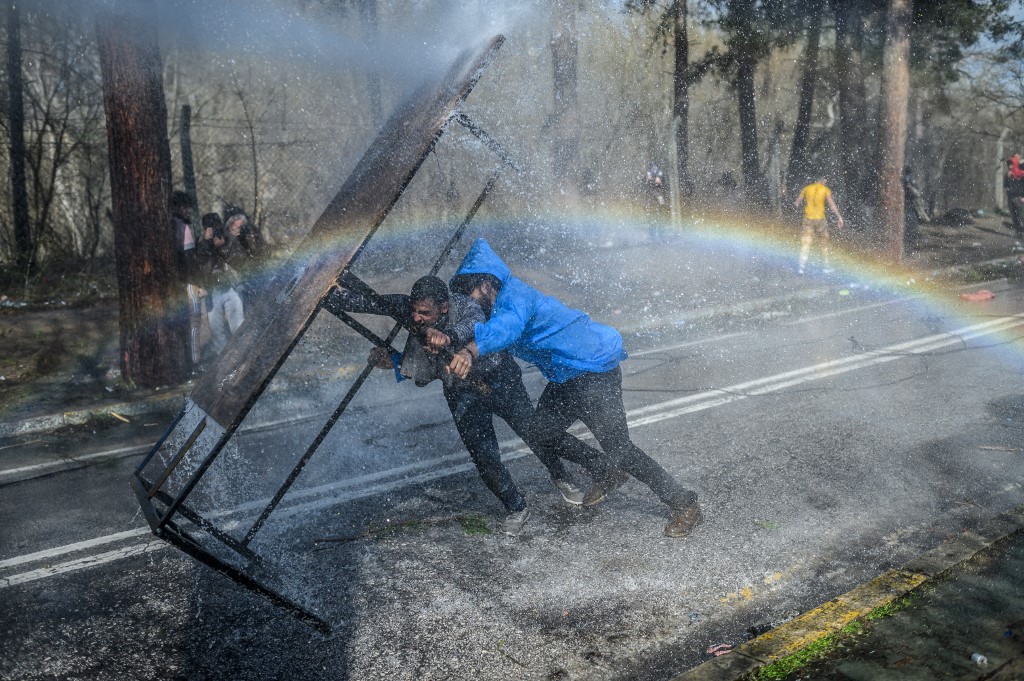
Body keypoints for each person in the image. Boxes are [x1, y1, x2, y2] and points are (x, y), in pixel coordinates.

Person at [444, 239, 703, 539]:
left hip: (594, 371)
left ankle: (685, 503)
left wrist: (470, 352)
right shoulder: (499, 308)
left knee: (622, 450)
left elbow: (506, 329)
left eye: (470, 292)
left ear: (487, 284)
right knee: (540, 431)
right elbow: (485, 330)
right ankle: (606, 470)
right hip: (567, 376)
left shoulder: (516, 298)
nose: (470, 301)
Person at [322, 275, 601, 536]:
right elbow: (372, 303)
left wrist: (449, 337)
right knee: (483, 454)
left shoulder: (466, 306)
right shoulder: (412, 311)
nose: (416, 318)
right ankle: (516, 506)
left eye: (425, 313)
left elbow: (474, 324)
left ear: (443, 308)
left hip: (499, 378)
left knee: (532, 431)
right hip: (461, 392)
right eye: (414, 311)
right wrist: (332, 298)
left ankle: (568, 472)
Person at [197, 212, 245, 357]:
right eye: (210, 227)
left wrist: (223, 247)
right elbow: (200, 266)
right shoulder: (201, 244)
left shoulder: (228, 239)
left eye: (216, 225)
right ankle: (223, 360)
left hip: (230, 287)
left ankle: (244, 354)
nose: (214, 229)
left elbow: (239, 262)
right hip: (212, 292)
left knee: (239, 325)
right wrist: (207, 244)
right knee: (217, 331)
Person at [170, 190, 204, 371]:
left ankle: (183, 362)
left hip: (175, 282)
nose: (188, 210)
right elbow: (190, 259)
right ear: (177, 207)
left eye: (188, 206)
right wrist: (198, 285)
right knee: (194, 321)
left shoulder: (169, 225)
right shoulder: (184, 228)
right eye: (184, 207)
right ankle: (194, 363)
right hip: (188, 282)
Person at [794, 175, 844, 275]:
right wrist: (839, 217)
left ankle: (801, 268)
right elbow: (832, 204)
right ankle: (825, 267)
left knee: (806, 244)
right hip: (820, 219)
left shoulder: (807, 188)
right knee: (823, 243)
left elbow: (796, 203)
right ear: (823, 181)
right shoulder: (825, 190)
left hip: (808, 219)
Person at [222, 206, 269, 312]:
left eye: (242, 226)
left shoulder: (252, 234)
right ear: (230, 226)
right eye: (236, 226)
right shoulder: (226, 241)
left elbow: (265, 254)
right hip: (238, 283)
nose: (240, 228)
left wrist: (253, 245)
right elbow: (236, 262)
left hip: (257, 278)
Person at [1005, 155, 1024, 237]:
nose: (1010, 166)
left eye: (1011, 164)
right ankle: (1018, 231)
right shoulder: (1008, 174)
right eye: (1009, 165)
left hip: (1019, 197)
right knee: (1014, 216)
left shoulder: (1022, 174)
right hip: (1011, 197)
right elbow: (1005, 185)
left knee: (1022, 216)